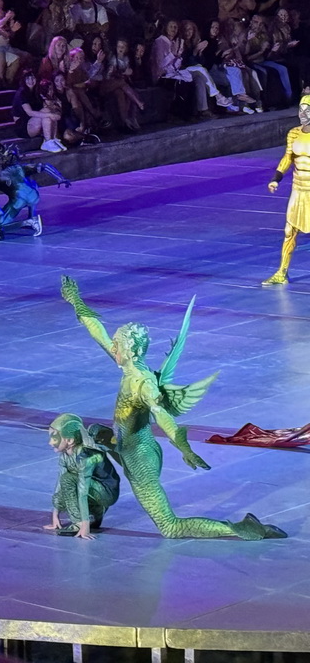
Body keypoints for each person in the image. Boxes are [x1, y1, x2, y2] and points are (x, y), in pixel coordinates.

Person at [61, 276, 287, 540]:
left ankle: (243, 529)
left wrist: (185, 449)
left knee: (169, 526)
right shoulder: (128, 365)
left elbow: (163, 417)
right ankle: (92, 515)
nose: (113, 347)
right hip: (124, 443)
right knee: (94, 433)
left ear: (131, 351)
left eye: (117, 345)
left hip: (139, 457)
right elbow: (97, 330)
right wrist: (75, 300)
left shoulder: (143, 384)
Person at [45, 413, 121, 538]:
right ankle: (96, 512)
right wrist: (55, 515)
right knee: (59, 498)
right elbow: (60, 483)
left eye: (54, 438)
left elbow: (82, 490)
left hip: (107, 492)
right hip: (93, 487)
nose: (50, 443)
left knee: (68, 480)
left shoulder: (87, 457)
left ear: (70, 440)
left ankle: (79, 523)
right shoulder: (66, 454)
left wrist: (84, 525)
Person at [263, 96, 310, 285]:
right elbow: (287, 158)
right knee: (289, 231)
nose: (303, 113)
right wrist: (276, 179)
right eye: (301, 109)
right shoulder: (294, 133)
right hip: (299, 189)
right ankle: (282, 272)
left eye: (308, 109)